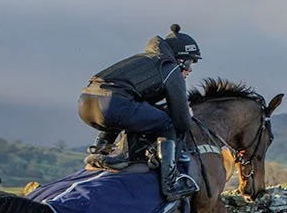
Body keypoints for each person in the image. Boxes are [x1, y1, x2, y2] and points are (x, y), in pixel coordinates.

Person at [79, 24, 201, 199]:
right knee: (166, 124)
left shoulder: (146, 59)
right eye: (190, 62)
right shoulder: (169, 67)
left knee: (134, 113)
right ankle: (170, 183)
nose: (190, 70)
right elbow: (181, 119)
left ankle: (100, 152)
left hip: (86, 103)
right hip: (112, 104)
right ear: (179, 59)